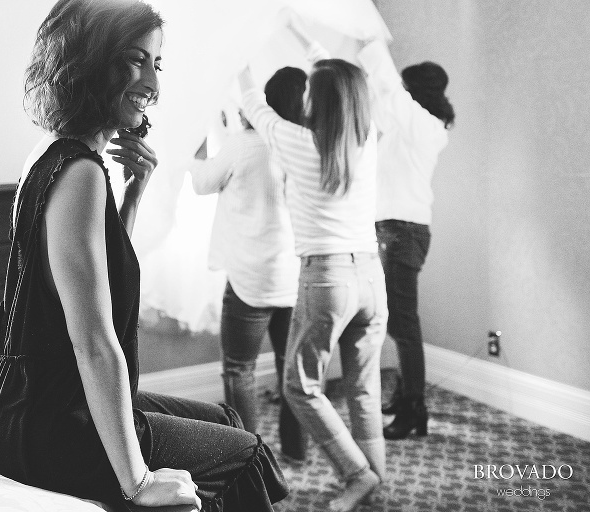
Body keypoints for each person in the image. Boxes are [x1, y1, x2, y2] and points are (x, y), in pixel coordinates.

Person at [0, 1, 288, 511]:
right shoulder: (80, 174)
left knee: (225, 420)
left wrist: (135, 192)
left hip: (23, 404)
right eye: (132, 60)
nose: (152, 85)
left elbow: (104, 278)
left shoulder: (56, 155)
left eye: (155, 64)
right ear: (86, 63)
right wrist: (137, 481)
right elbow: (93, 340)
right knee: (245, 452)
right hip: (46, 419)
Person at [237, 16, 388, 512]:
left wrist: (237, 52)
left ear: (314, 102)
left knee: (299, 388)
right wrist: (304, 33)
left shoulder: (298, 143)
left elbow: (252, 102)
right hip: (371, 274)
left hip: (328, 278)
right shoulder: (368, 141)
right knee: (363, 387)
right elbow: (340, 76)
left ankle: (357, 474)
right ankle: (375, 475)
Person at [189, 66, 308, 463]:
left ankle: (251, 459)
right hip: (293, 276)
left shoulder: (243, 146)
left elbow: (204, 182)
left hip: (250, 279)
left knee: (239, 369)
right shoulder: (306, 144)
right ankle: (296, 449)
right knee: (291, 368)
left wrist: (196, 150)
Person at [356, 37, 455, 440]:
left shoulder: (425, 127)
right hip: (393, 231)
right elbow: (384, 100)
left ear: (417, 91)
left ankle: (415, 409)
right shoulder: (407, 127)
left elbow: (390, 92)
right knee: (398, 321)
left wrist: (371, 38)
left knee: (405, 326)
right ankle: (405, 397)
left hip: (404, 233)